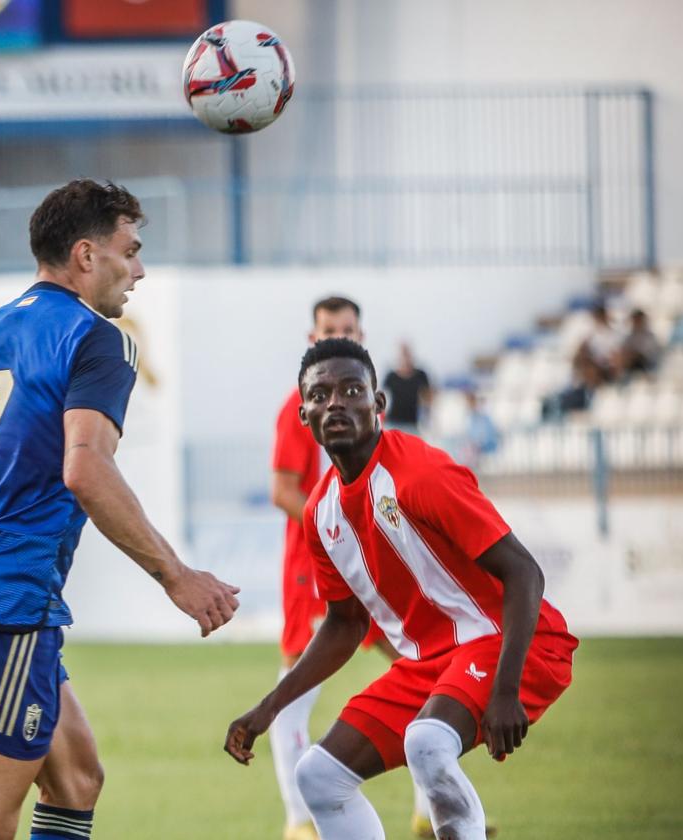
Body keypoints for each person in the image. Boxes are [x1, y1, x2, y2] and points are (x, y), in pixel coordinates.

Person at [0, 179, 241, 840]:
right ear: (87, 255)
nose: (141, 269)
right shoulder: (97, 339)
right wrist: (176, 575)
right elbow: (86, 469)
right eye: (132, 249)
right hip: (7, 605)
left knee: (75, 780)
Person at [227, 338, 577, 840]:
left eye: (352, 390)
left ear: (379, 404)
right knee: (318, 776)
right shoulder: (319, 512)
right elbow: (346, 625)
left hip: (514, 644)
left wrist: (505, 691)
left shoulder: (422, 473)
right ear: (304, 416)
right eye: (321, 395)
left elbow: (525, 573)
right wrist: (270, 706)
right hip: (429, 665)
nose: (336, 403)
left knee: (427, 741)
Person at [270, 301, 489, 840]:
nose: (334, 403)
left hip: (377, 563)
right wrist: (339, 528)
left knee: (426, 668)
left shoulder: (395, 444)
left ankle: (429, 806)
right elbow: (283, 490)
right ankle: (299, 822)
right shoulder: (299, 408)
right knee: (295, 687)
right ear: (312, 335)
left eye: (348, 331)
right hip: (320, 565)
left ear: (362, 337)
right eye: (329, 331)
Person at [383, 342, 432, 433]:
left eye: (407, 354)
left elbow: (428, 398)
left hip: (412, 424)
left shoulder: (421, 375)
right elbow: (384, 399)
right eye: (403, 354)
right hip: (393, 423)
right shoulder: (391, 377)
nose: (405, 358)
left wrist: (427, 419)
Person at [617, 308, 661, 378]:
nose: (636, 323)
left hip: (645, 365)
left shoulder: (649, 337)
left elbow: (648, 355)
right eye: (634, 320)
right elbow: (623, 350)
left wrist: (633, 355)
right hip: (632, 365)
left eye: (638, 320)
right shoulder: (629, 336)